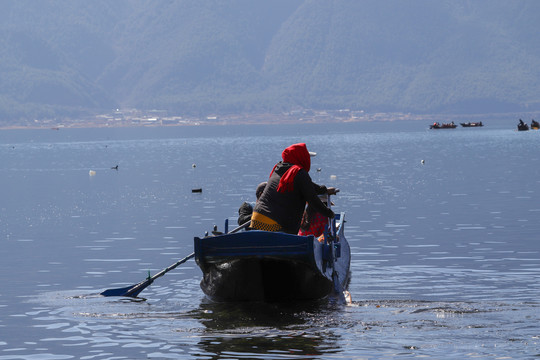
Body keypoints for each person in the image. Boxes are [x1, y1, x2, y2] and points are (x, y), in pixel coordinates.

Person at [251, 143, 336, 234]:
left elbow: (309, 186)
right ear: (301, 158)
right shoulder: (299, 173)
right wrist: (330, 214)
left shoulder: (279, 168)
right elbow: (313, 200)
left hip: (256, 219)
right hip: (274, 223)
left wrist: (324, 190)